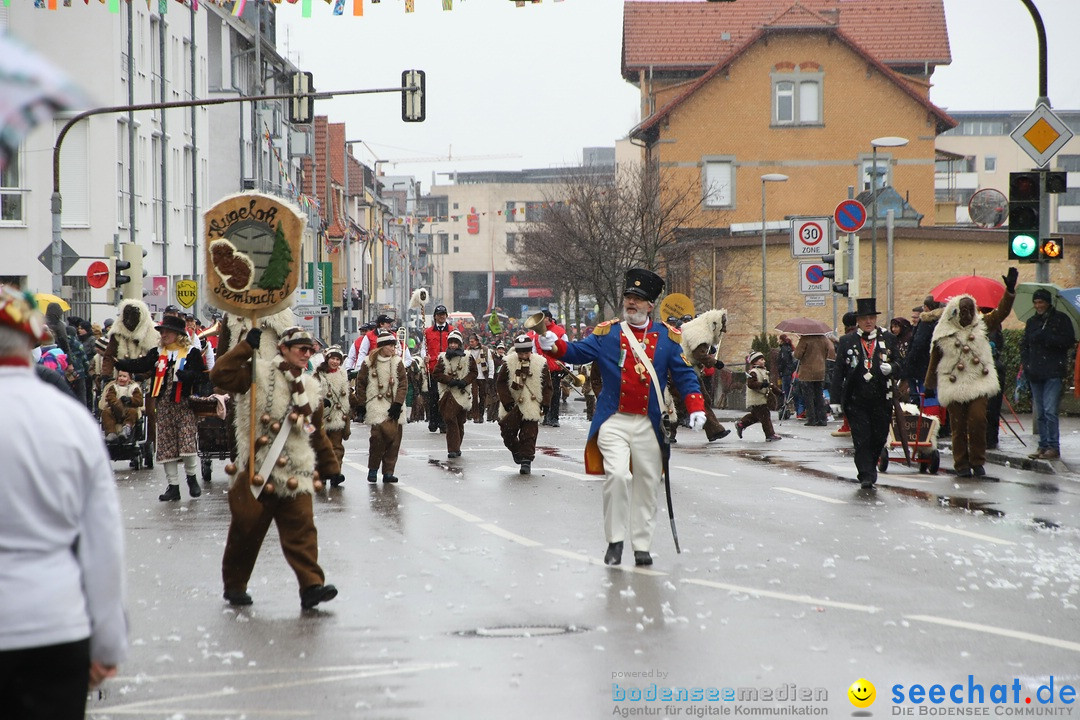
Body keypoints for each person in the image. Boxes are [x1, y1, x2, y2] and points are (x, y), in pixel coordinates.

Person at [0, 287, 127, 720]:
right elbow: (102, 541)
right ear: (35, 338)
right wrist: (107, 640)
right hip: (54, 622)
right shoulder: (69, 419)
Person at [537, 268, 706, 567]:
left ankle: (641, 545)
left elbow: (684, 375)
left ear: (649, 306)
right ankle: (615, 541)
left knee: (647, 482)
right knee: (616, 475)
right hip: (613, 419)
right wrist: (556, 346)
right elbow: (577, 352)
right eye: (628, 297)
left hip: (648, 422)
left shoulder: (667, 337)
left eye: (638, 299)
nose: (631, 303)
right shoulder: (608, 332)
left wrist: (696, 407)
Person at [210, 325, 340, 609]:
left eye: (310, 350)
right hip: (259, 468)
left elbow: (316, 431)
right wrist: (245, 347)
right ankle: (234, 586)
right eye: (301, 349)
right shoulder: (258, 373)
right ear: (283, 348)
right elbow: (219, 375)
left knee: (303, 531)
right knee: (246, 532)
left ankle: (311, 587)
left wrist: (331, 465)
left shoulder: (311, 387)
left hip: (296, 470)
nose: (307, 355)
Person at [925, 271, 1016, 477]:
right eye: (962, 310)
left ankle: (977, 461)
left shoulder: (982, 325)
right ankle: (962, 464)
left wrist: (1009, 291)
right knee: (958, 426)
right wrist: (929, 382)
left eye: (970, 309)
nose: (967, 313)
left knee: (977, 420)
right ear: (955, 312)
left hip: (978, 382)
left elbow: (1001, 312)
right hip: (953, 384)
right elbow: (934, 358)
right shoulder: (943, 332)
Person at [115, 313, 205, 501]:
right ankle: (173, 486)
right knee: (166, 445)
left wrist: (186, 376)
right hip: (163, 404)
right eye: (162, 332)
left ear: (178, 334)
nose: (163, 335)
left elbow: (201, 376)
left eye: (167, 332)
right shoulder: (157, 353)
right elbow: (141, 364)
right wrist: (121, 363)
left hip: (184, 404)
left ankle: (192, 479)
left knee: (187, 442)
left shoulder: (192, 353)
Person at [830, 298, 903, 489]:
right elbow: (838, 371)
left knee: (879, 436)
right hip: (857, 399)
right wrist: (835, 399)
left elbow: (901, 365)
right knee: (862, 438)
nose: (868, 322)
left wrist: (892, 367)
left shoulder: (888, 339)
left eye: (871, 318)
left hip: (881, 398)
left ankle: (870, 466)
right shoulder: (847, 341)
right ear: (858, 321)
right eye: (864, 319)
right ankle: (866, 474)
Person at [1021, 287, 1077, 460]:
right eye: (1036, 302)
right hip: (1035, 372)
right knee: (1040, 413)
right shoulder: (1032, 322)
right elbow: (1024, 344)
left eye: (1041, 302)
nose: (1038, 305)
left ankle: (1053, 446)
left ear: (1048, 303)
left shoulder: (1061, 320)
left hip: (1053, 371)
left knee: (1050, 410)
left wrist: (1048, 338)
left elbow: (1068, 341)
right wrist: (1027, 364)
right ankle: (1043, 445)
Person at [496, 334, 553, 475]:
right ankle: (516, 451)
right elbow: (500, 383)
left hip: (532, 405)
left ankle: (526, 461)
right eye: (520, 353)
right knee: (507, 433)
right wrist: (507, 401)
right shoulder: (508, 363)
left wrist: (545, 403)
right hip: (513, 405)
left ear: (531, 351)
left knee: (529, 435)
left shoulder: (540, 363)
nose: (523, 356)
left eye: (526, 352)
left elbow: (547, 386)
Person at [355, 330, 408, 483]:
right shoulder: (368, 363)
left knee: (394, 440)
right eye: (390, 346)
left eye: (394, 346)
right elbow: (361, 384)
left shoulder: (398, 362)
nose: (393, 348)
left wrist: (398, 403)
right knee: (377, 437)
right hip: (376, 404)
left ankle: (388, 472)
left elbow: (403, 384)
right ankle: (373, 469)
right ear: (382, 347)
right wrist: (361, 404)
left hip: (394, 404)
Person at [676, 308, 731, 441]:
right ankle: (668, 430)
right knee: (682, 403)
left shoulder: (698, 329)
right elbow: (699, 354)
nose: (723, 331)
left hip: (687, 369)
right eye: (722, 326)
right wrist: (715, 362)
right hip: (685, 371)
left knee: (699, 400)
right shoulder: (701, 334)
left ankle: (714, 430)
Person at [432, 329, 478, 458]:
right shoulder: (442, 358)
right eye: (450, 342)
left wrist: (465, 381)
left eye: (455, 343)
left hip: (463, 393)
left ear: (459, 344)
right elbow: (436, 374)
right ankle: (452, 449)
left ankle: (456, 446)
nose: (453, 345)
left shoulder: (468, 357)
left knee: (460, 421)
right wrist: (449, 380)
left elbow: (474, 372)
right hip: (448, 393)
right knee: (449, 419)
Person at [314, 345, 354, 487]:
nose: (335, 362)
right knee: (322, 446)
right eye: (333, 358)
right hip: (323, 416)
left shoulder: (343, 375)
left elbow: (347, 395)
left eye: (338, 359)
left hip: (339, 416)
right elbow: (312, 391)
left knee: (337, 447)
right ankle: (322, 473)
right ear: (327, 359)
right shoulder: (318, 375)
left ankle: (336, 473)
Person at [532, 309, 568, 427]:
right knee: (543, 393)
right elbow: (534, 351)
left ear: (549, 318)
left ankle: (554, 417)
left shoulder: (560, 332)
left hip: (555, 368)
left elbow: (567, 349)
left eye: (543, 319)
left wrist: (567, 367)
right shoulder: (536, 335)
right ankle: (545, 416)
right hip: (542, 368)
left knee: (555, 393)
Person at [735, 351, 781, 441]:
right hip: (757, 399)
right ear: (755, 362)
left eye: (763, 359)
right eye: (761, 359)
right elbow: (751, 384)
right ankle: (770, 434)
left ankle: (741, 424)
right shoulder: (753, 372)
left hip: (762, 398)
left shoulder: (764, 371)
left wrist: (778, 392)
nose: (764, 361)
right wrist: (761, 385)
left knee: (755, 416)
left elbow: (769, 385)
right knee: (765, 416)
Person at [794, 331, 834, 426]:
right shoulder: (823, 338)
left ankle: (811, 418)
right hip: (820, 371)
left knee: (808, 396)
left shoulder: (805, 339)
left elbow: (797, 355)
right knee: (819, 396)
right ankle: (822, 418)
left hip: (807, 372)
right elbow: (831, 349)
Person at [424, 305, 454, 433]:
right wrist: (424, 357)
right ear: (435, 316)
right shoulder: (428, 331)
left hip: (448, 369)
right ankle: (433, 420)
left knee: (445, 397)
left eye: (443, 314)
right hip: (433, 368)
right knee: (433, 396)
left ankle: (443, 422)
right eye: (439, 314)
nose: (441, 316)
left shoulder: (452, 331)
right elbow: (423, 348)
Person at [99, 369, 144, 442]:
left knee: (133, 412)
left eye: (124, 376)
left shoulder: (134, 388)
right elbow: (110, 397)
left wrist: (130, 400)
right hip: (115, 410)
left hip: (128, 409)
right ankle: (111, 433)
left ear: (129, 379)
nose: (121, 378)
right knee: (106, 412)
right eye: (120, 376)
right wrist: (118, 403)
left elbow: (139, 400)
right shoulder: (113, 387)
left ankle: (126, 429)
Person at [466, 333, 495, 423]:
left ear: (477, 341)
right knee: (474, 396)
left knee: (482, 396)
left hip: (483, 376)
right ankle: (475, 416)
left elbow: (490, 363)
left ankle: (481, 415)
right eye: (470, 341)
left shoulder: (486, 350)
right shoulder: (467, 351)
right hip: (472, 376)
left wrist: (491, 376)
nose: (471, 343)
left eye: (472, 341)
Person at [775, 333, 798, 419]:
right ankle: (792, 408)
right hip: (790, 372)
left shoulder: (784, 349)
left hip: (786, 373)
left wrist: (780, 369)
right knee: (790, 391)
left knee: (786, 392)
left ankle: (787, 408)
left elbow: (784, 361)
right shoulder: (789, 348)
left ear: (781, 340)